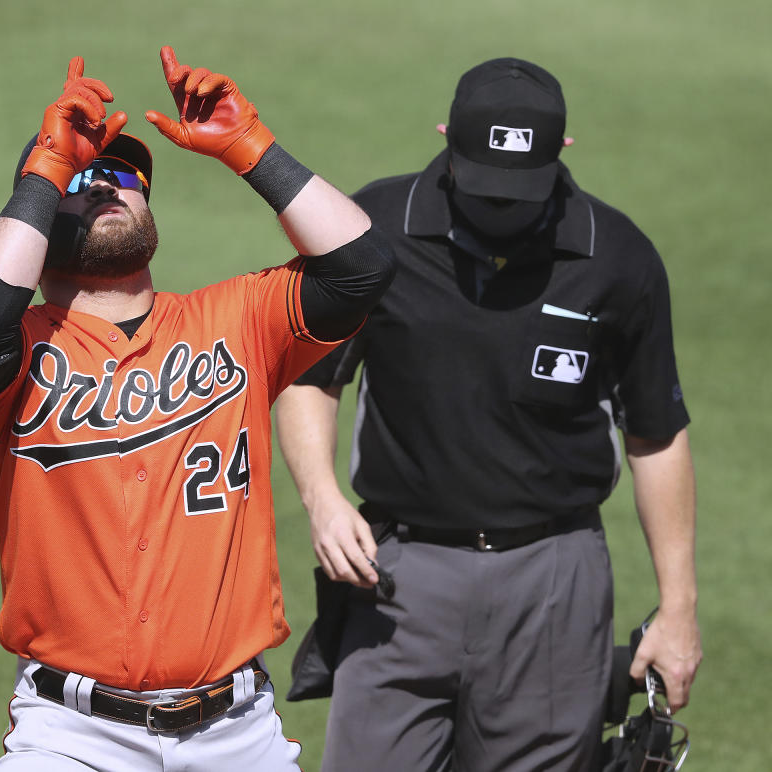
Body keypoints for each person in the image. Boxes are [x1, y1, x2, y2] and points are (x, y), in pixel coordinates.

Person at [0, 46, 394, 771]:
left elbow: (363, 268)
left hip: (238, 731)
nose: (106, 186)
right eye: (79, 178)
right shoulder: (13, 357)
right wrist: (42, 174)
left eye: (123, 176)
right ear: (39, 215)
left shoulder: (240, 319)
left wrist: (250, 148)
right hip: (70, 737)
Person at [275, 57, 702, 772]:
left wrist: (679, 608)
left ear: (562, 152)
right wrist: (321, 500)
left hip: (554, 586)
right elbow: (307, 376)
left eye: (520, 188)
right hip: (399, 581)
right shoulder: (371, 228)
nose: (501, 205)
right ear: (445, 136)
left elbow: (657, 433)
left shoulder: (618, 257)